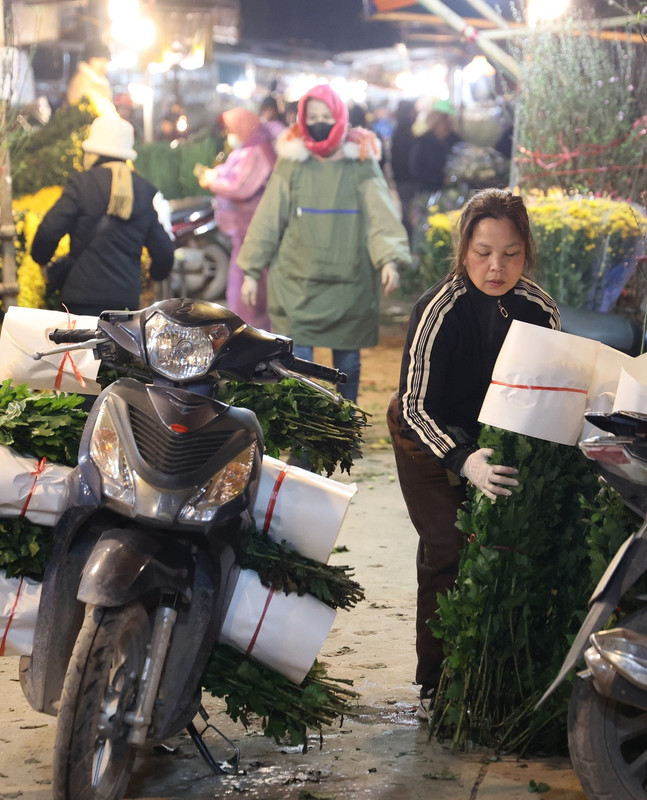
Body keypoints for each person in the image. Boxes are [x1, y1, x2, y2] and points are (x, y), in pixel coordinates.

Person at [386, 188, 560, 716]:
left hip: (494, 433)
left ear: (525, 253)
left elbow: (549, 389)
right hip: (426, 434)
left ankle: (497, 675)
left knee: (508, 545)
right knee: (449, 546)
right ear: (464, 251)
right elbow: (415, 405)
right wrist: (464, 460)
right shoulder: (439, 309)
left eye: (510, 253)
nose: (495, 266)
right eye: (483, 252)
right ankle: (435, 684)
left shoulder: (539, 309)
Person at [237, 83, 410, 404]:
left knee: (348, 365)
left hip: (350, 283)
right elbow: (269, 217)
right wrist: (251, 269)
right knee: (299, 366)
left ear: (340, 117)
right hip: (298, 285)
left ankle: (346, 428)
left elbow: (380, 215)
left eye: (326, 116)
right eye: (312, 116)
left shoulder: (360, 161)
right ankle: (307, 435)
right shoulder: (292, 163)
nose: (319, 122)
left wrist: (390, 259)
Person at [31, 114, 175, 316]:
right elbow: (165, 253)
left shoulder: (82, 184)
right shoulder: (141, 190)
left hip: (81, 299)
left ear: (93, 154)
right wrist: (154, 276)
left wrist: (42, 261)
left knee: (83, 348)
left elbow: (49, 230)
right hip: (125, 303)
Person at [195, 108, 277, 330]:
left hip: (254, 231)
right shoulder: (249, 148)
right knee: (241, 287)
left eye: (232, 128)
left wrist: (213, 180)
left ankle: (253, 336)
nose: (230, 133)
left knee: (250, 291)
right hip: (243, 231)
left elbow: (241, 186)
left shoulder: (258, 150)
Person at [389, 100, 420, 247]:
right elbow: (405, 161)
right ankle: (409, 245)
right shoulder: (404, 134)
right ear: (408, 113)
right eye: (414, 111)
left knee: (408, 213)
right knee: (409, 215)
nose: (416, 114)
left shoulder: (401, 131)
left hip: (403, 180)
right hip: (406, 181)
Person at [65, 37, 115, 117]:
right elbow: (79, 113)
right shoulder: (81, 81)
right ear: (88, 59)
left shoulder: (101, 82)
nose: (102, 65)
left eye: (105, 61)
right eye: (98, 60)